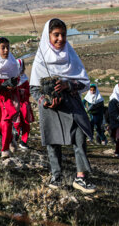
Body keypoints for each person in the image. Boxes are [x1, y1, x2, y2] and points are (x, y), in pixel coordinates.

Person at [30, 18, 96, 194]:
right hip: (51, 107)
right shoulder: (40, 59)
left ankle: (80, 178)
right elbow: (34, 89)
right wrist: (45, 101)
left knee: (80, 136)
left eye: (63, 35)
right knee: (53, 141)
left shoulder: (70, 55)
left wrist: (69, 84)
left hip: (72, 103)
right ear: (47, 36)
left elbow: (84, 82)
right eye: (56, 35)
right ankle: (56, 176)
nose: (60, 39)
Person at [13, 58, 33, 151]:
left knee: (25, 122)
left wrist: (22, 91)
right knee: (16, 122)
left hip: (24, 104)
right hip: (15, 104)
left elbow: (28, 91)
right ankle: (15, 135)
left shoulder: (24, 79)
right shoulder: (12, 79)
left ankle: (23, 141)